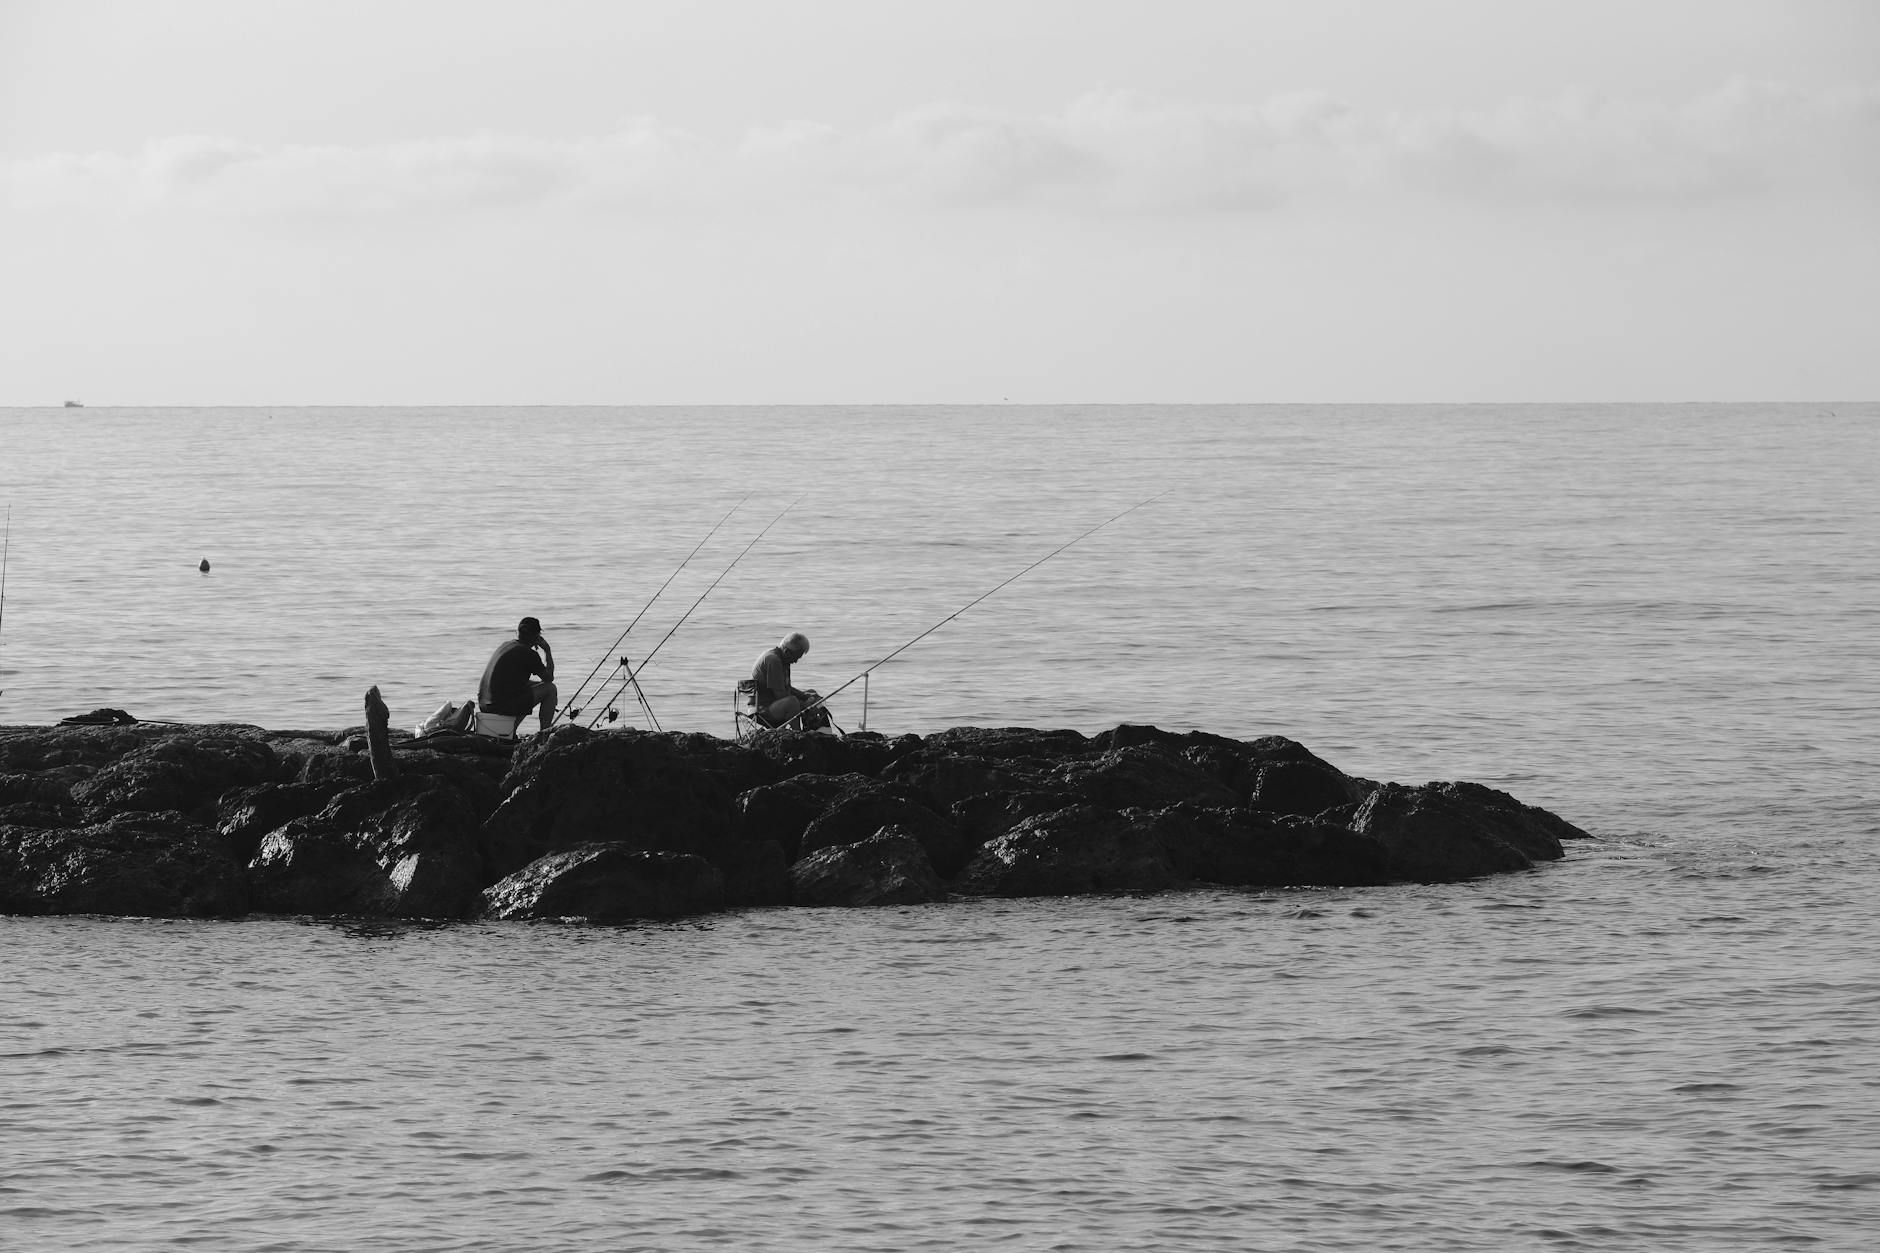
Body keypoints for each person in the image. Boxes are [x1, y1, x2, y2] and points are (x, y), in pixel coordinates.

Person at [479, 616, 558, 733]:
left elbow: (512, 681)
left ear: (518, 633)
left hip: (485, 705)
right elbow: (549, 678)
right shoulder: (528, 653)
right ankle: (545, 733)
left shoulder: (506, 645)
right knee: (550, 689)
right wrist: (547, 650)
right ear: (537, 636)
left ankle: (510, 731)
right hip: (500, 707)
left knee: (533, 685)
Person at [751, 631, 818, 728]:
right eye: (796, 657)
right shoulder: (773, 660)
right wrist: (805, 705)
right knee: (792, 702)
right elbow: (781, 695)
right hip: (762, 709)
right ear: (787, 652)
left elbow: (787, 688)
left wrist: (804, 696)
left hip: (772, 703)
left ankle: (811, 729)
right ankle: (797, 734)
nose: (795, 661)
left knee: (811, 693)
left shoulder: (784, 659)